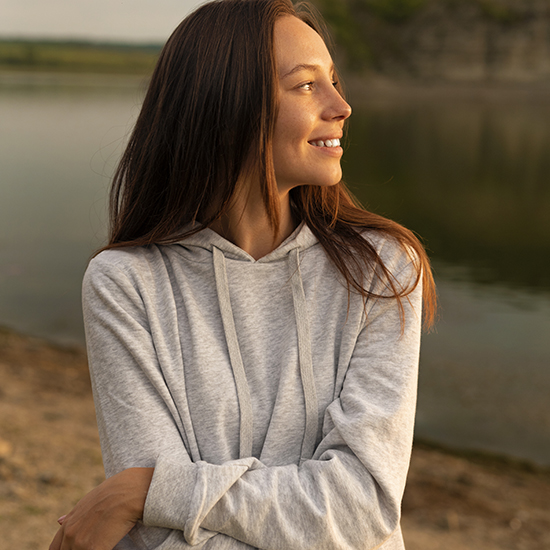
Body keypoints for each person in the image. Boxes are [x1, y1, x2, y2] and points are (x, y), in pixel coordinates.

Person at [50, 0, 436, 549]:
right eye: (306, 86)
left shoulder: (382, 268)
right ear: (227, 104)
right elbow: (158, 537)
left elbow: (363, 505)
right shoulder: (126, 283)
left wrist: (149, 492)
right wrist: (153, 504)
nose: (342, 106)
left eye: (334, 81)